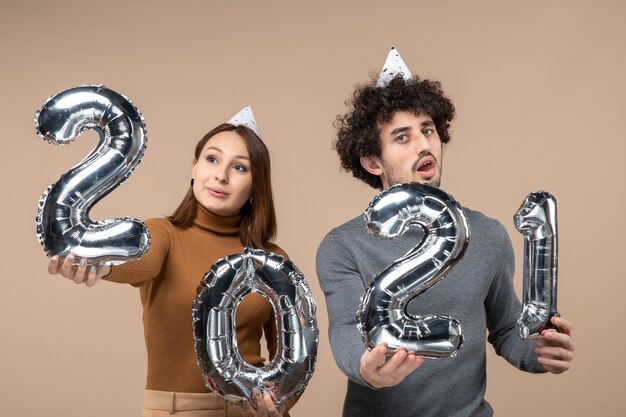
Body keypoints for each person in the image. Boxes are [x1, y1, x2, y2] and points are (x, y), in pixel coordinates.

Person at [316, 48, 575, 417]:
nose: (424, 144)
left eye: (428, 130)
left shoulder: (487, 235)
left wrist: (540, 352)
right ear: (373, 161)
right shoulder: (343, 246)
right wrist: (366, 368)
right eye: (402, 138)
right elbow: (344, 328)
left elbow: (505, 329)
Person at [48, 107, 293, 417]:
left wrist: (280, 404)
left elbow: (291, 352)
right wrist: (102, 265)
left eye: (240, 167)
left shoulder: (272, 259)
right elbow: (141, 262)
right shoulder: (162, 234)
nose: (221, 175)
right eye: (212, 159)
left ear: (256, 184)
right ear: (194, 167)